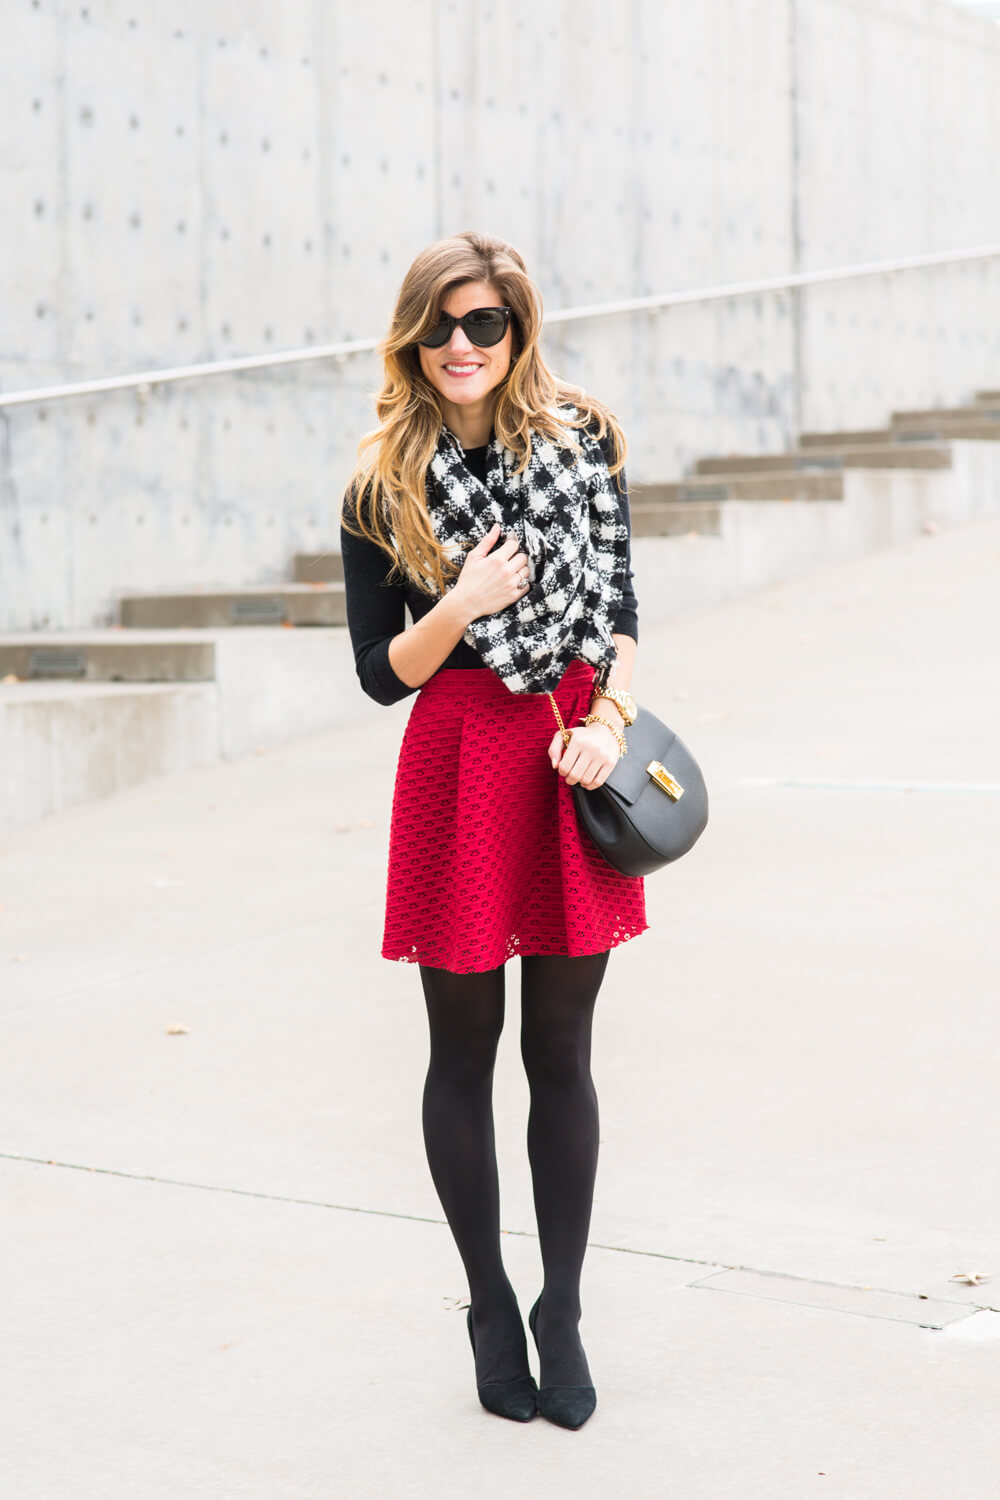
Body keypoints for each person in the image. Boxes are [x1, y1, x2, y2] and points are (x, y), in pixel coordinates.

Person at [339, 231, 647, 1430]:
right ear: (411, 336)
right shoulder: (380, 483)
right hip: (459, 752)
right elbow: (378, 673)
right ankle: (486, 1303)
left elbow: (620, 611)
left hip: (568, 740)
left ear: (518, 333)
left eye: (486, 325)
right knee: (461, 1049)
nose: (461, 347)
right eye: (441, 326)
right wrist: (460, 601)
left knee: (561, 1050)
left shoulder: (583, 445)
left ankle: (560, 1307)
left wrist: (609, 721)